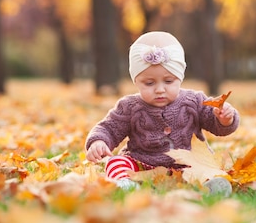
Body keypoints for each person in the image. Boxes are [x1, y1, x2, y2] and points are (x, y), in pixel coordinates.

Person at [85, 31, 240, 192]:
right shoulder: (129, 106)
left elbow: (216, 125)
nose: (160, 89)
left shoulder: (194, 101)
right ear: (136, 81)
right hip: (144, 165)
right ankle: (125, 184)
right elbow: (109, 128)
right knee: (116, 162)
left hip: (189, 164)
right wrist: (99, 142)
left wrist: (225, 120)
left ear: (180, 77)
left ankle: (211, 186)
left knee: (208, 169)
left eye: (168, 81)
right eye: (149, 83)